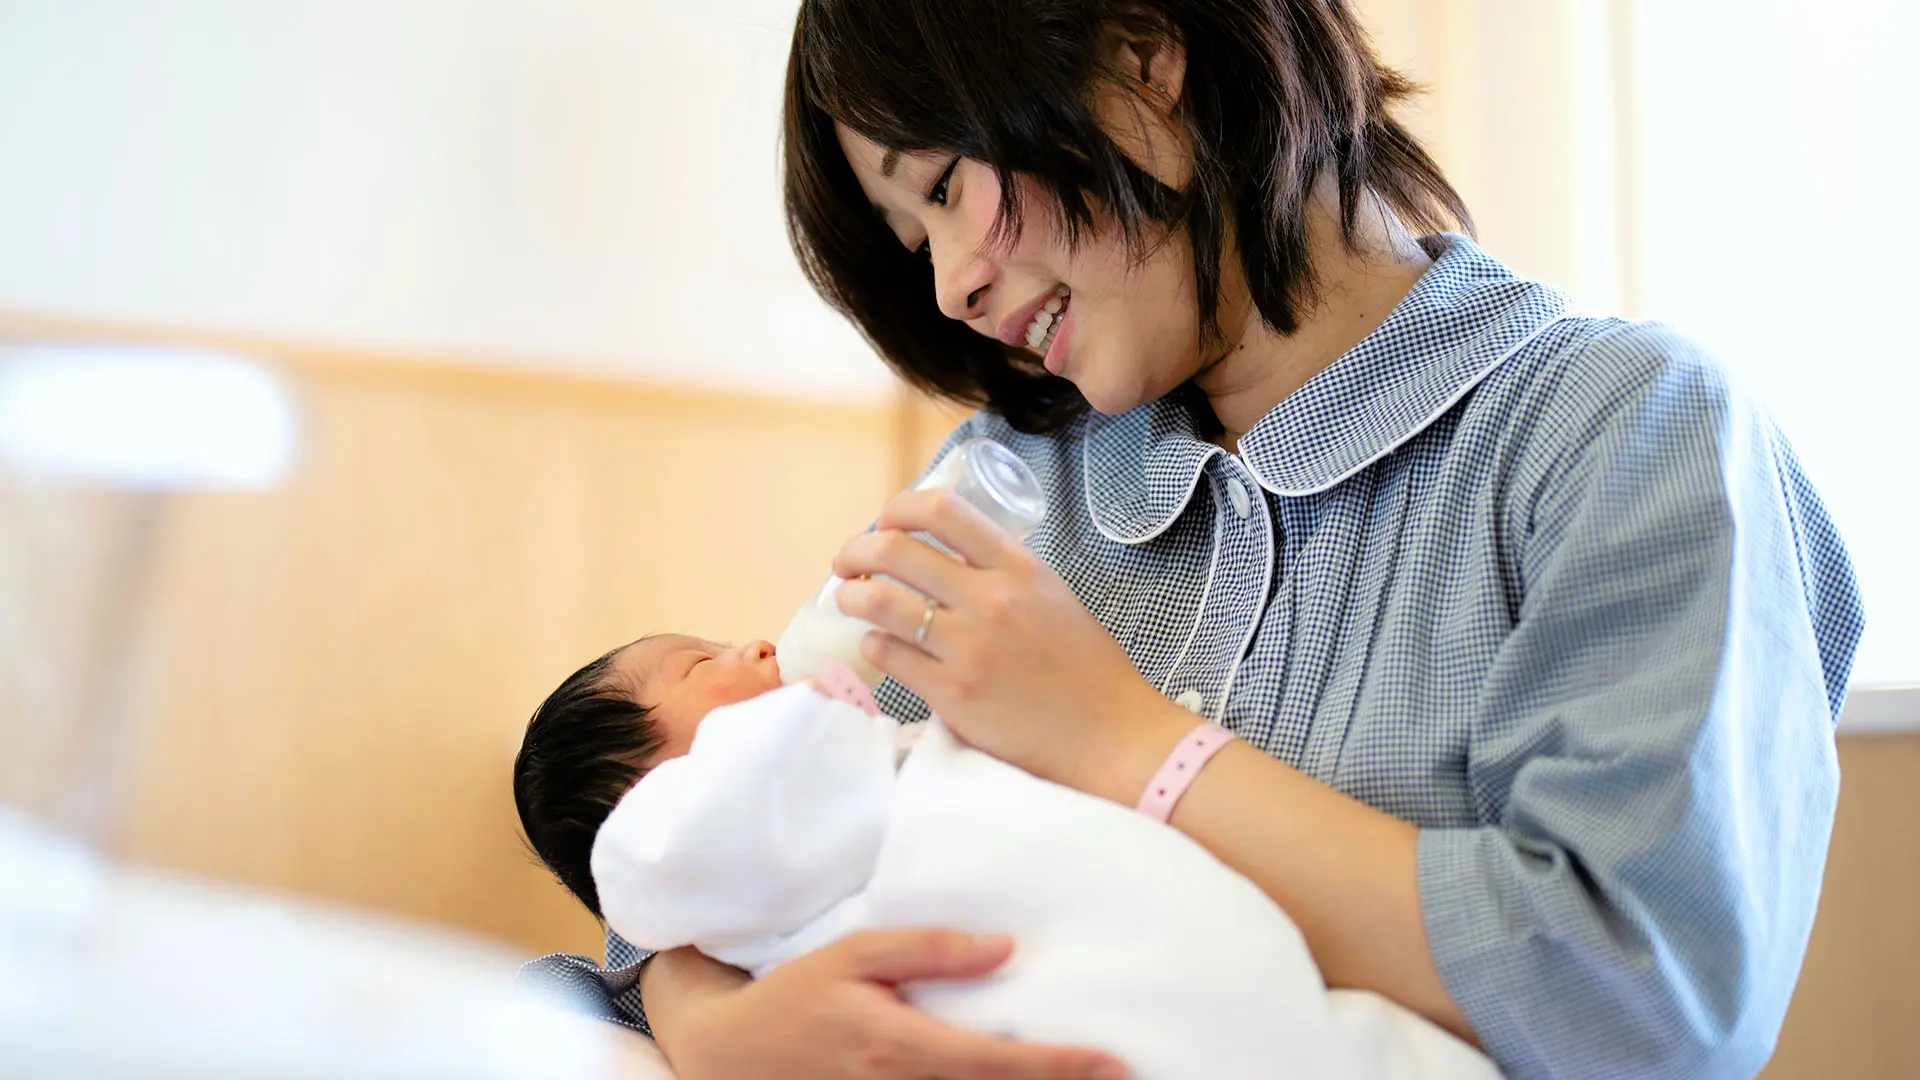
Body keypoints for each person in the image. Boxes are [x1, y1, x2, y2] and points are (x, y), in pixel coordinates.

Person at [522, 2, 1864, 1077]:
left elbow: (1640, 1004)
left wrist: (1121, 741)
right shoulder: (1009, 482)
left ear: (1144, 59)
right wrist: (716, 1032)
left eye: (943, 185)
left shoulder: (1625, 435)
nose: (949, 283)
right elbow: (711, 840)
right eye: (907, 234)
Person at [514, 636, 1497, 1080]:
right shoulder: (704, 826)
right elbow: (638, 923)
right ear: (645, 798)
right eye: (703, 663)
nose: (761, 644)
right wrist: (714, 1030)